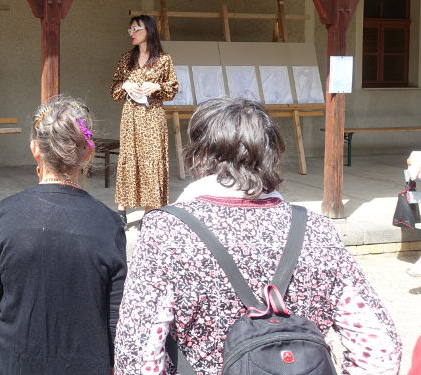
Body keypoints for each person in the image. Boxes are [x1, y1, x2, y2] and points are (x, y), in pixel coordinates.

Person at [114, 97, 401, 374]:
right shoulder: (316, 229)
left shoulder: (167, 231)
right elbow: (380, 348)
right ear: (272, 155)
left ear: (200, 155)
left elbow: (137, 353)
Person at [0, 96, 127, 375]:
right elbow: (115, 316)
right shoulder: (109, 224)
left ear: (35, 149)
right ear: (87, 153)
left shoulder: (5, 214)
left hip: (8, 364)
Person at [110, 14, 178, 223]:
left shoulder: (164, 59)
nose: (132, 33)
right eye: (130, 29)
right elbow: (113, 90)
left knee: (152, 160)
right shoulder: (126, 59)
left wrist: (157, 86)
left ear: (149, 30)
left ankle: (149, 213)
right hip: (130, 117)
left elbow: (173, 89)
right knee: (129, 159)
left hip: (153, 117)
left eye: (136, 29)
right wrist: (125, 85)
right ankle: (122, 210)